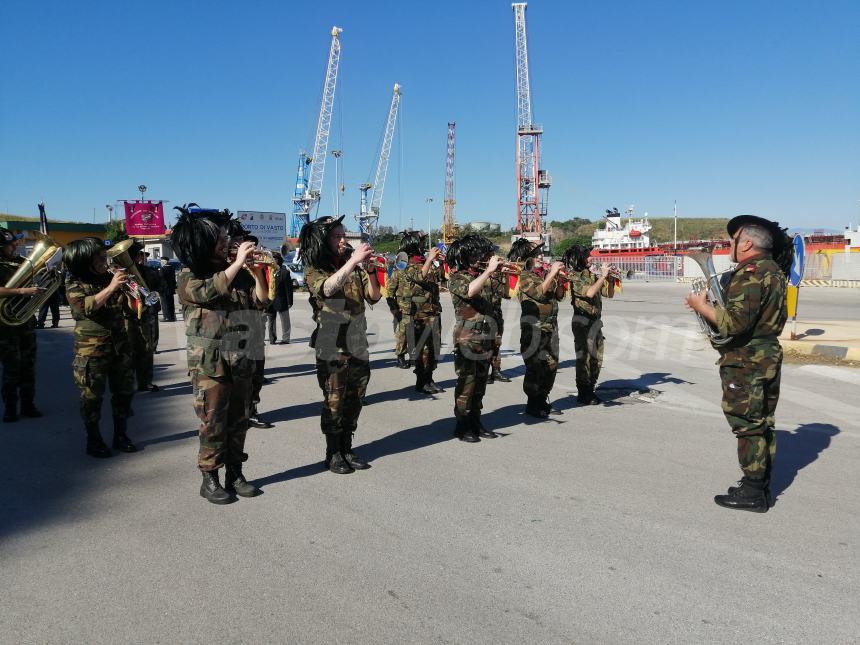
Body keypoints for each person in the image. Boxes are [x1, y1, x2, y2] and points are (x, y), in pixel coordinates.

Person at [685, 215, 791, 513]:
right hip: (767, 353)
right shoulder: (774, 271)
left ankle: (754, 492)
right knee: (763, 423)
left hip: (746, 360)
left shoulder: (751, 273)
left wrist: (700, 306)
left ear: (746, 243)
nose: (729, 244)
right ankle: (758, 483)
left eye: (733, 240)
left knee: (747, 426)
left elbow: (733, 324)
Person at [172, 204, 270, 504]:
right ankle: (210, 477)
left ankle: (235, 473)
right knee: (213, 421)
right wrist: (239, 262)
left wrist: (256, 275)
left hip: (242, 354)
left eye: (228, 236)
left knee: (239, 418)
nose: (228, 242)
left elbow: (261, 303)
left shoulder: (237, 272)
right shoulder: (189, 275)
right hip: (210, 363)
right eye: (222, 238)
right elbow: (208, 293)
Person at [300, 216, 381, 474]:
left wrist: (370, 271)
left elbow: (374, 297)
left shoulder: (353, 265)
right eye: (337, 236)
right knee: (334, 400)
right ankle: (332, 452)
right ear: (323, 241)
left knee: (355, 398)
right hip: (332, 345)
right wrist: (354, 262)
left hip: (357, 343)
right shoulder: (314, 268)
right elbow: (326, 289)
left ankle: (347, 446)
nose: (343, 240)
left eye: (343, 235)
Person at [63, 237, 137, 457]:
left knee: (123, 393)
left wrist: (132, 292)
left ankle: (121, 435)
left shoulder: (110, 277)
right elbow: (85, 307)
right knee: (92, 397)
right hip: (91, 351)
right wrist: (113, 286)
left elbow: (130, 309)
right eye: (99, 256)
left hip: (119, 346)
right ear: (84, 260)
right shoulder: (75, 284)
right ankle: (93, 440)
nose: (104, 259)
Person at [447, 234, 501, 442]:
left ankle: (476, 420)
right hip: (467, 337)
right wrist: (489, 271)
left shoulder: (481, 276)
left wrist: (493, 274)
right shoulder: (457, 277)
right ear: (469, 256)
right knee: (467, 383)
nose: (484, 257)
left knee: (480, 383)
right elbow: (469, 292)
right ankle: (462, 425)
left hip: (485, 336)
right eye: (480, 254)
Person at [509, 238, 565, 418]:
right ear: (528, 258)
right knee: (535, 367)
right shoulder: (523, 275)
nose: (541, 256)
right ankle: (533, 403)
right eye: (537, 254)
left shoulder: (540, 275)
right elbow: (538, 293)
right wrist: (552, 273)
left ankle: (542, 398)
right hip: (534, 329)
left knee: (551, 365)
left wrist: (558, 278)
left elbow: (559, 296)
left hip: (550, 327)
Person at [562, 245, 616, 405]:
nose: (591, 258)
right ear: (579, 259)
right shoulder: (574, 276)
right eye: (587, 256)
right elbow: (590, 293)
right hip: (582, 322)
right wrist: (602, 276)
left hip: (595, 322)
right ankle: (583, 391)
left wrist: (610, 279)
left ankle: (590, 388)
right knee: (584, 358)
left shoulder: (592, 275)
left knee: (597, 358)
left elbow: (609, 294)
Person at [0, 227, 44, 422]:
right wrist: (20, 292)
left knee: (28, 365)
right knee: (11, 367)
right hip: (5, 325)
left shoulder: (20, 262)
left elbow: (36, 278)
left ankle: (28, 404)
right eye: (11, 244)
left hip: (25, 321)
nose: (15, 245)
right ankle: (10, 407)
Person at [233, 231, 274, 429]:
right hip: (233, 333)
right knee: (237, 379)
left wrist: (257, 271)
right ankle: (237, 413)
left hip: (254, 327)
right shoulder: (226, 269)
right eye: (239, 243)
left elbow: (262, 299)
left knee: (256, 374)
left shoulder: (249, 270)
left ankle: (252, 410)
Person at [397, 231, 444, 394]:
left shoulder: (425, 261)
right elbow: (419, 276)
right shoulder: (405, 264)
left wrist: (438, 263)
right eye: (421, 242)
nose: (424, 245)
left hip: (432, 310)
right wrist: (430, 259)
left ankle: (429, 378)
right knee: (422, 348)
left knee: (433, 348)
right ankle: (421, 381)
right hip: (418, 314)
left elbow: (439, 279)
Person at [125, 242, 162, 392]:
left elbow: (160, 286)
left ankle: (145, 381)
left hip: (144, 315)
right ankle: (129, 383)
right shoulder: (116, 275)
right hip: (126, 316)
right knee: (128, 352)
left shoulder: (147, 272)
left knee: (146, 349)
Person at [485, 260, 511, 384]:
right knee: (485, 344)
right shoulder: (483, 274)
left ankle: (496, 370)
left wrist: (506, 276)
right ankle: (484, 373)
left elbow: (506, 293)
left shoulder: (500, 276)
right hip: (485, 314)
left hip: (497, 313)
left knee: (497, 343)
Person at [385, 254, 410, 369]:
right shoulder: (397, 273)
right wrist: (393, 308)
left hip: (415, 308)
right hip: (402, 308)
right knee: (402, 334)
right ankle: (400, 357)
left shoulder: (413, 272)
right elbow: (389, 292)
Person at [266, 252, 293, 344]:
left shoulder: (285, 273)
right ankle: (272, 339)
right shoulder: (266, 272)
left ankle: (286, 339)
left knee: (285, 321)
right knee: (271, 321)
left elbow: (288, 289)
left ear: (279, 260)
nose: (272, 260)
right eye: (271, 259)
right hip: (269, 302)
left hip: (282, 301)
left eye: (275, 259)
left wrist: (290, 302)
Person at [158, 257, 177, 322]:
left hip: (164, 289)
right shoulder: (172, 268)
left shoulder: (162, 269)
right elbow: (174, 279)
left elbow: (161, 279)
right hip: (171, 289)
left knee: (165, 303)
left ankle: (166, 317)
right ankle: (172, 316)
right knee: (171, 303)